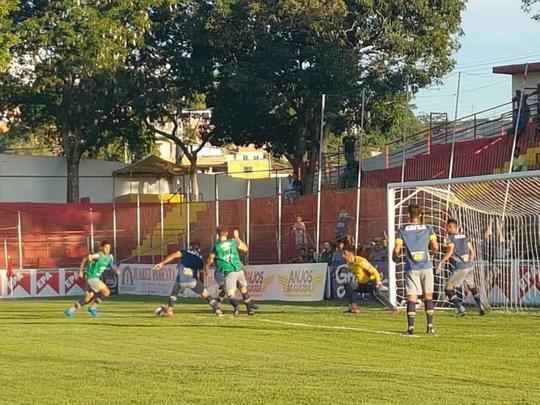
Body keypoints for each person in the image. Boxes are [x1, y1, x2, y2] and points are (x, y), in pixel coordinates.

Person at [393, 204, 439, 335]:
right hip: (427, 266)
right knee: (428, 296)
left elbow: (397, 250)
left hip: (411, 267)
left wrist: (395, 256)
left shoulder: (402, 230)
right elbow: (435, 246)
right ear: (420, 215)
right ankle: (430, 327)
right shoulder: (429, 228)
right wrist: (431, 252)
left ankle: (411, 328)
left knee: (412, 298)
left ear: (408, 215)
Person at [152, 243, 222, 317]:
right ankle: (217, 310)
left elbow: (174, 255)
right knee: (206, 295)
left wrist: (162, 263)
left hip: (181, 281)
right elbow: (203, 271)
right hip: (193, 281)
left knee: (174, 294)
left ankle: (169, 310)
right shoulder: (199, 259)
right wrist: (202, 283)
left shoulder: (184, 252)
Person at [438, 219, 486, 316]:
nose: (446, 229)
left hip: (460, 267)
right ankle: (480, 306)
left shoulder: (450, 238)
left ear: (451, 227)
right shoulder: (465, 236)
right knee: (472, 286)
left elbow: (450, 251)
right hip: (469, 266)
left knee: (448, 288)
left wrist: (441, 262)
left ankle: (461, 308)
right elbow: (472, 252)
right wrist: (470, 263)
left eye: (447, 227)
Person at [206, 228, 257, 316]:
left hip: (228, 271)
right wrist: (237, 237)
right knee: (243, 288)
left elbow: (210, 259)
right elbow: (245, 249)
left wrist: (206, 267)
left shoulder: (216, 246)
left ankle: (236, 308)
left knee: (230, 294)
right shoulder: (233, 242)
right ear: (227, 233)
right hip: (238, 269)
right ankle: (250, 308)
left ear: (217, 234)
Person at [64, 240, 118, 318]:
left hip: (92, 279)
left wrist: (115, 270)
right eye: (106, 247)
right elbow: (85, 258)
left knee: (87, 299)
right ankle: (93, 308)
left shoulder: (109, 257)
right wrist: (81, 271)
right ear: (101, 248)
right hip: (92, 278)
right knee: (106, 292)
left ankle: (70, 311)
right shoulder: (98, 255)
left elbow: (111, 266)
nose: (107, 249)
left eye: (109, 248)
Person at [342, 246, 397, 314]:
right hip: (361, 283)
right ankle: (353, 307)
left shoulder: (361, 262)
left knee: (377, 294)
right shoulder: (350, 264)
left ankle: (392, 308)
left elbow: (374, 271)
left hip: (370, 282)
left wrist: (378, 281)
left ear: (350, 256)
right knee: (349, 285)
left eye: (346, 258)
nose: (345, 260)